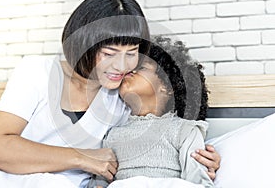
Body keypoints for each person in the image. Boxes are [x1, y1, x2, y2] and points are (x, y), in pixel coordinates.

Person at [0, 0, 219, 188]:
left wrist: (203, 160)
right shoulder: (36, 71)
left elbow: (156, 133)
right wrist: (81, 157)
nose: (122, 66)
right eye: (109, 54)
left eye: (132, 53)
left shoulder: (123, 95)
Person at [88, 36, 215, 188]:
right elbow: (100, 178)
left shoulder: (184, 130)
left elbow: (198, 181)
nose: (129, 71)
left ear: (167, 87)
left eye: (142, 68)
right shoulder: (112, 133)